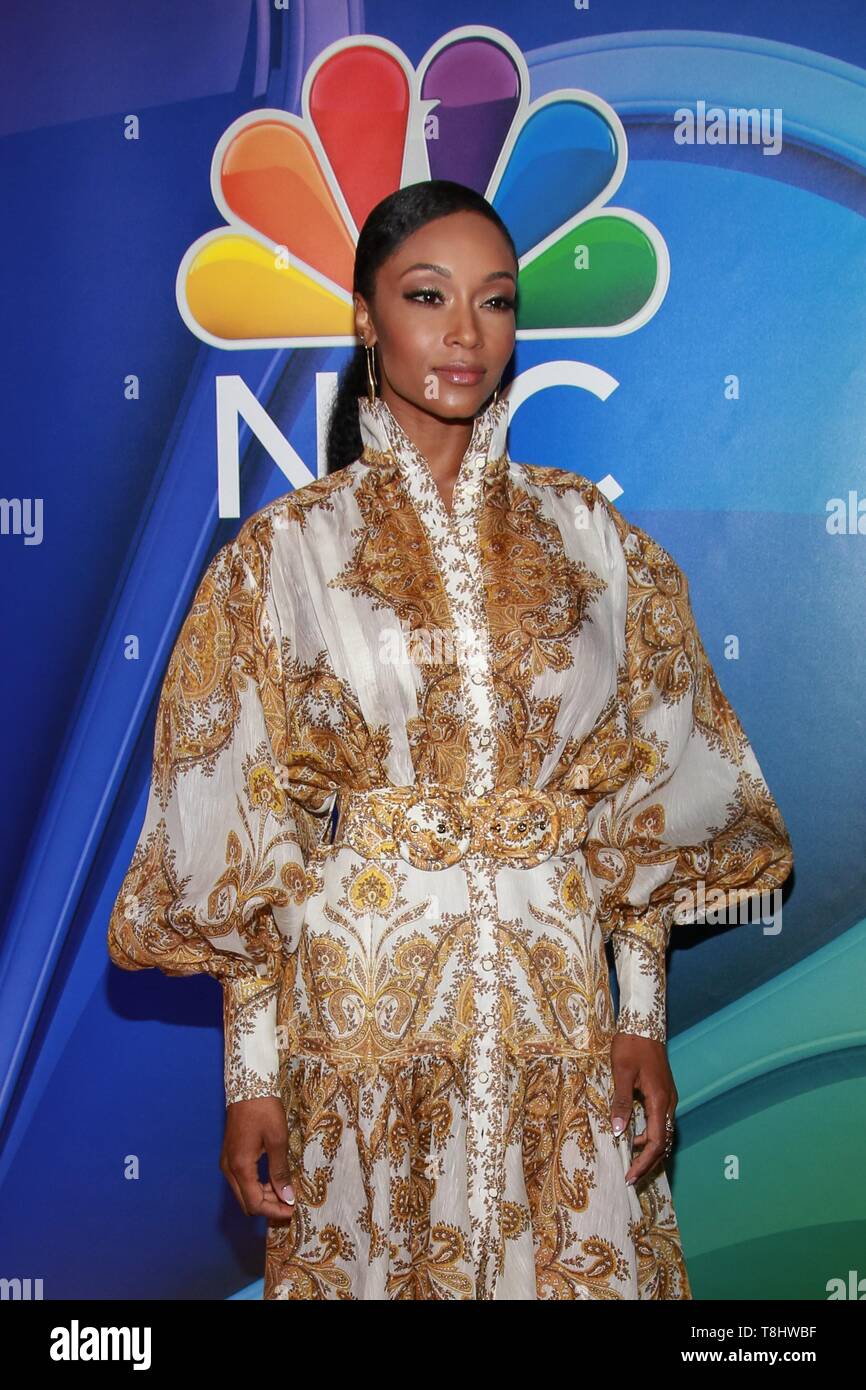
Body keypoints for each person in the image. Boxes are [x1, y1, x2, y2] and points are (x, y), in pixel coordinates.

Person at [108, 179, 794, 1301]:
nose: (465, 334)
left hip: (559, 1025)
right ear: (367, 317)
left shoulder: (592, 545)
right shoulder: (281, 558)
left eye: (496, 301)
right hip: (360, 1034)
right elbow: (241, 835)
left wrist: (641, 1016)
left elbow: (649, 798)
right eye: (427, 296)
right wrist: (251, 1076)